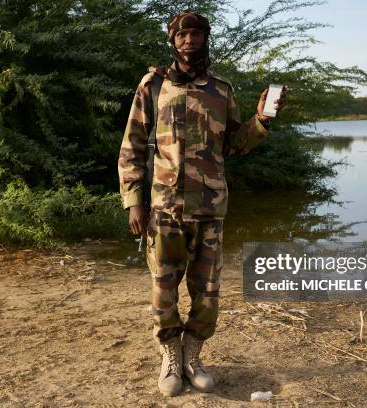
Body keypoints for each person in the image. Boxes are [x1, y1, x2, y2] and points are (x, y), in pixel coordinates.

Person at [118, 10, 287, 397]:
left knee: (207, 291)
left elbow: (232, 145)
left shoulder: (222, 90)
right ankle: (170, 358)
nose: (189, 41)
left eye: (196, 34)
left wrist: (262, 119)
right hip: (164, 208)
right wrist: (134, 202)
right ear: (172, 40)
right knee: (163, 290)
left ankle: (193, 355)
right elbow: (131, 146)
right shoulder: (154, 85)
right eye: (182, 35)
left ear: (206, 38)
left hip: (211, 209)